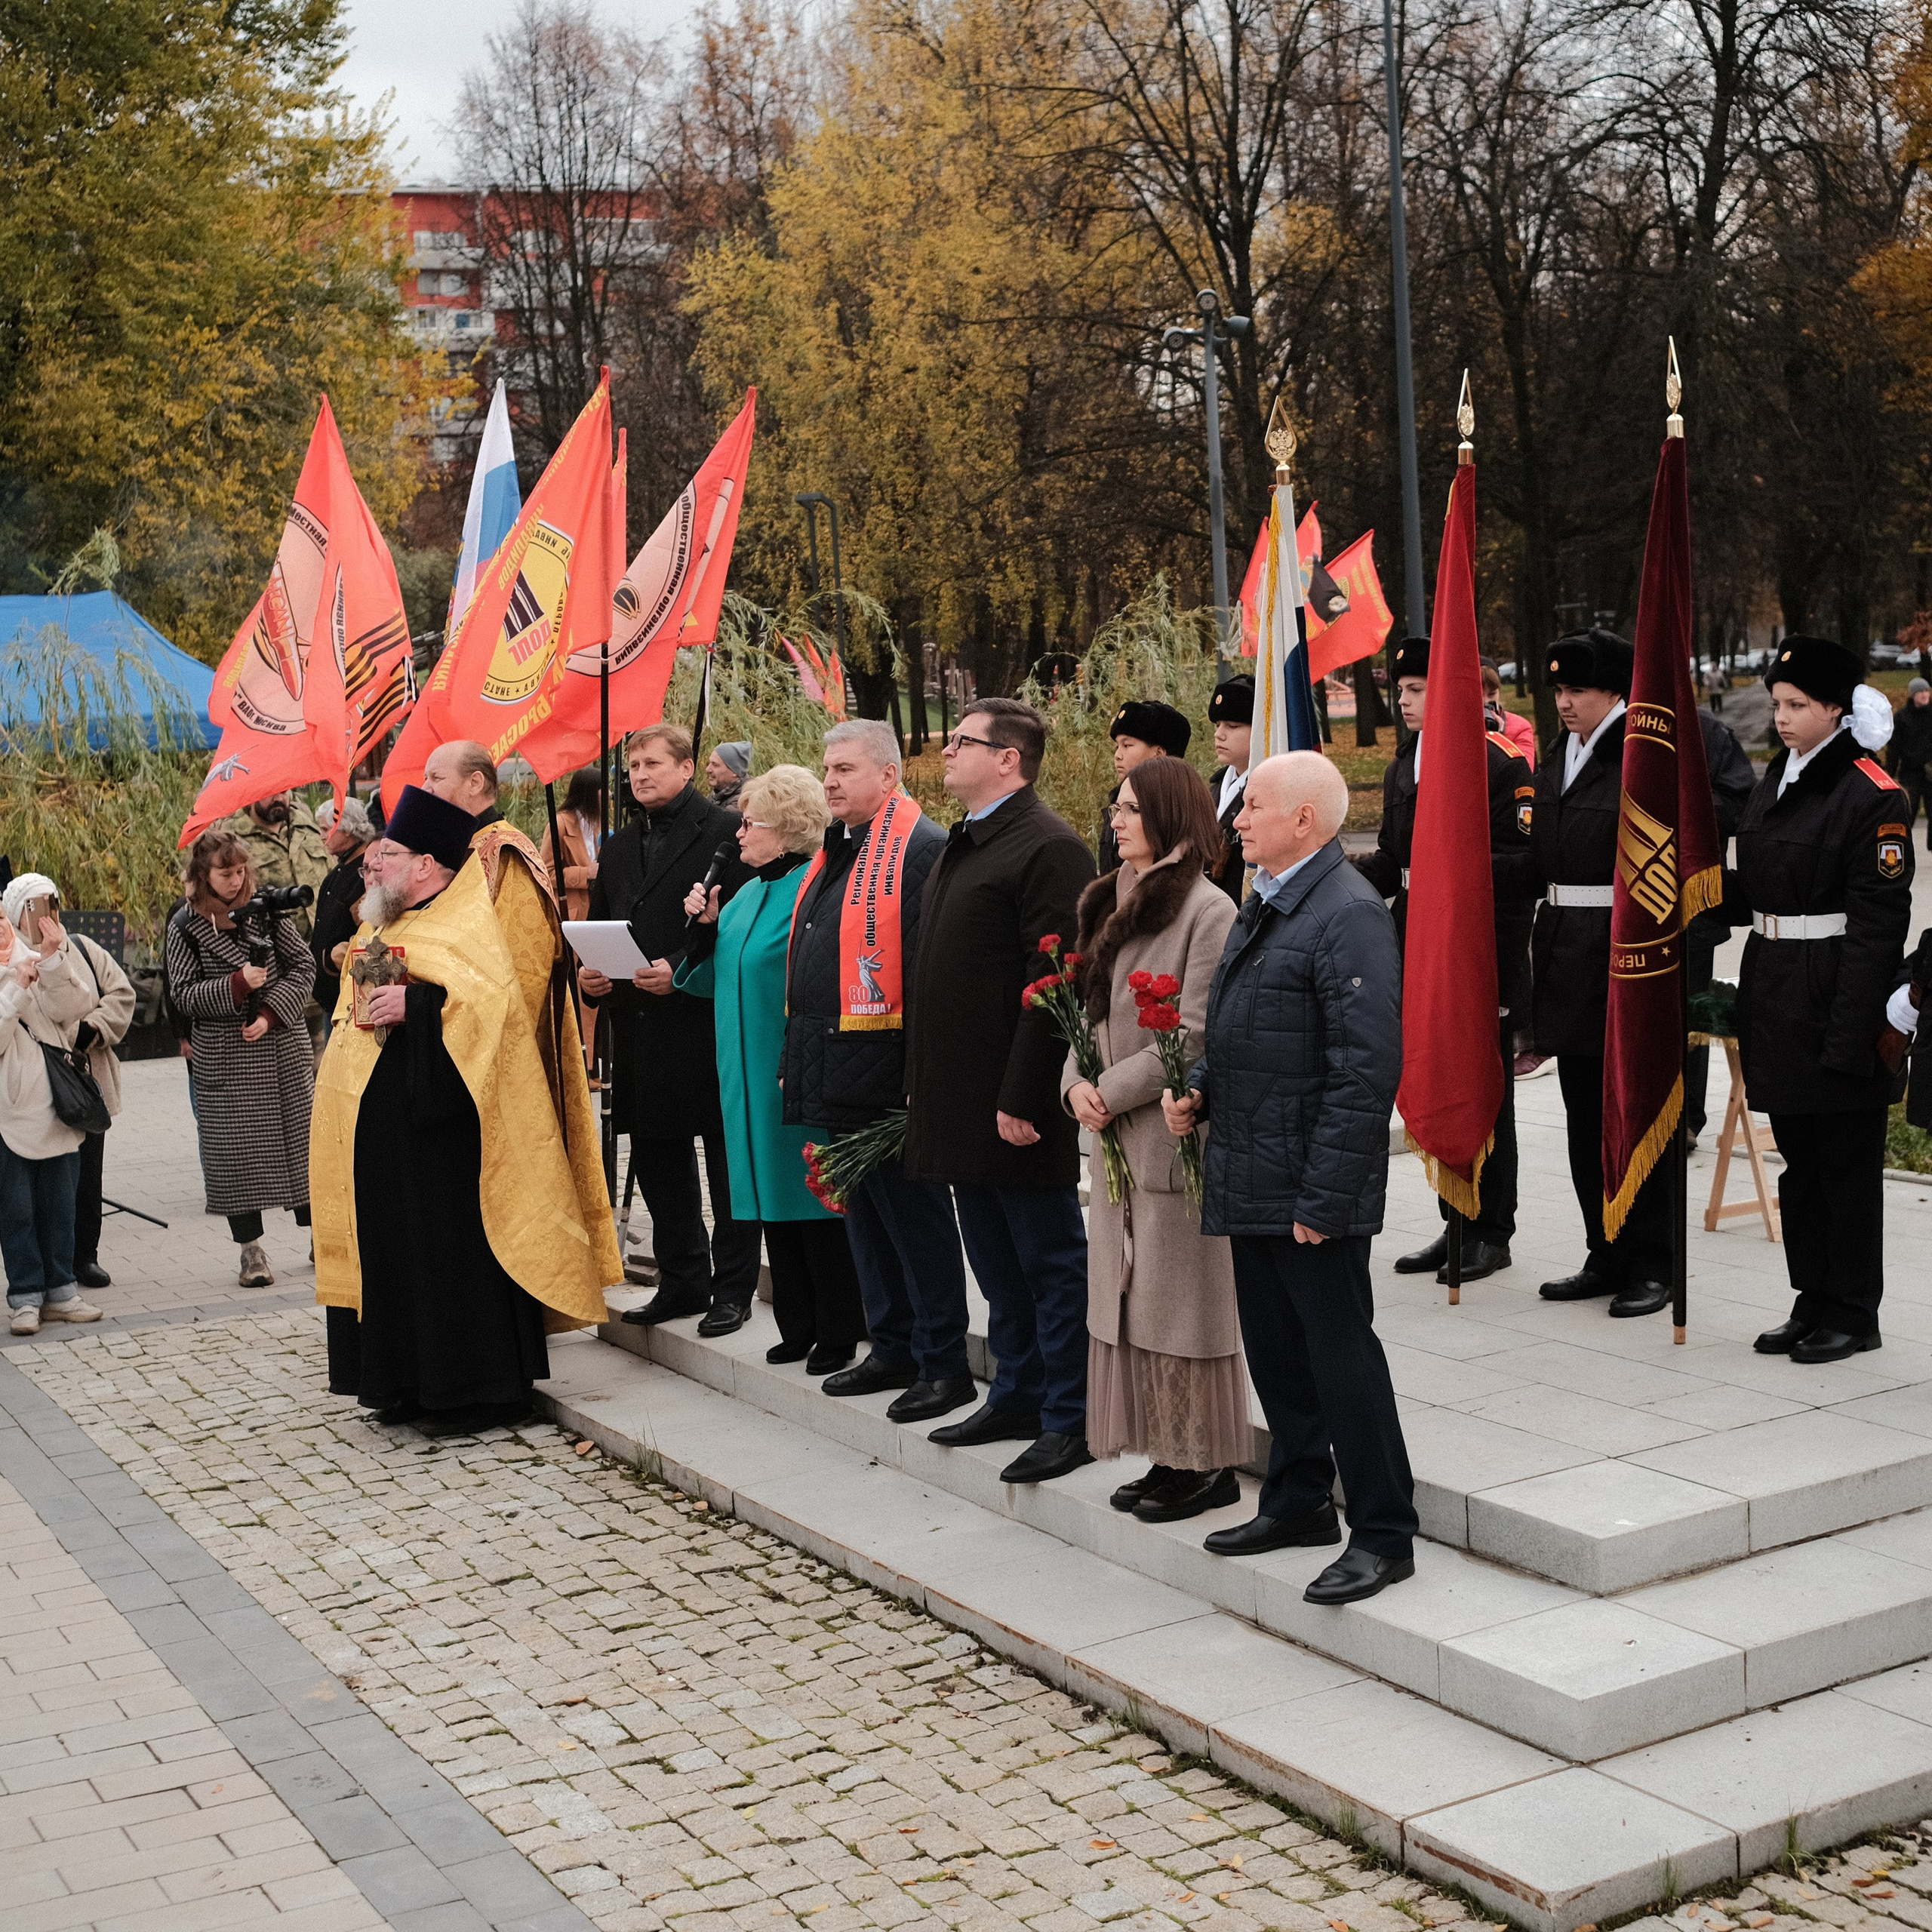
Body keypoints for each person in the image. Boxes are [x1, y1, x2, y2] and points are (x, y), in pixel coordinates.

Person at [1161, 752, 1413, 1604]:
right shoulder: (1267, 900)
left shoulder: (1346, 914)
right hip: (1252, 1169)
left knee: (1341, 1358)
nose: (1236, 818)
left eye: (1254, 806)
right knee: (1277, 1350)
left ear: (1304, 820)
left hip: (1309, 1187)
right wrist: (1198, 1089)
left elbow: (1365, 1067)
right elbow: (1246, 1030)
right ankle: (1300, 1499)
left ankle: (1383, 1531)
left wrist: (1326, 1198)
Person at [313, 788, 610, 1431]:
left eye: (386, 855)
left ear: (425, 865)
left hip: (447, 1133)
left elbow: (493, 1017)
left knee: (445, 1259)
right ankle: (405, 1386)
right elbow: (365, 1015)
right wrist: (382, 1008)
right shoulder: (380, 924)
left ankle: (472, 1390)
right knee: (395, 1252)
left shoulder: (467, 923)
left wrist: (417, 1009)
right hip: (382, 1128)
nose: (372, 865)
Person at [905, 698, 1097, 1483]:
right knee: (995, 1261)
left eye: (961, 741)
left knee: (1047, 1262)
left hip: (1013, 1105)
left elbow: (1055, 980)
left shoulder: (1047, 846)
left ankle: (1071, 1414)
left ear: (1008, 758)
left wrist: (1024, 1095)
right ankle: (1016, 1390)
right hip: (959, 1102)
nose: (946, 751)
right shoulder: (969, 839)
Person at [1065, 758, 1242, 1522]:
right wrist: (1074, 1082)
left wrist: (1113, 1088)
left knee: (1182, 1302)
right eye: (1116, 806)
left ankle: (1204, 1464)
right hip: (1111, 1132)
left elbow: (1197, 1026)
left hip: (1167, 1132)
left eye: (1133, 808)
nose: (1117, 817)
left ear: (1171, 814)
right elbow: (1085, 1010)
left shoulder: (1207, 910)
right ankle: (1165, 1453)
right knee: (1131, 1300)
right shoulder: (1109, 896)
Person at [782, 721, 971, 1419]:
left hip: (889, 1074)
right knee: (867, 1220)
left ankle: (943, 1362)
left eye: (845, 770)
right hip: (838, 1065)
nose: (829, 781)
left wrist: (917, 1076)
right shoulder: (839, 849)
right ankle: (891, 1344)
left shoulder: (918, 853)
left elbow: (927, 972)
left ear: (889, 777)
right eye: (826, 769)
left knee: (915, 1221)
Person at [1737, 638, 1912, 1364]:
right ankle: (1811, 1299)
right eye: (1777, 703)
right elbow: (1752, 882)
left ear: (1837, 708)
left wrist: (1850, 1039)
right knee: (1800, 1168)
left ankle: (1853, 1310)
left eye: (1797, 705)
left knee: (1845, 1170)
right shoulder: (1776, 779)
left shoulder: (1873, 795)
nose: (1781, 717)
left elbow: (1877, 933)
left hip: (1837, 993)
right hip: (1777, 988)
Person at [1355, 636, 1534, 1284]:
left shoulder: (1500, 764)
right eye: (1400, 690)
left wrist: (1450, 876)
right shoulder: (1407, 763)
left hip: (1478, 949)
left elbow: (1525, 869)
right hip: (1417, 945)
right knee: (1435, 1078)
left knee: (1485, 1088)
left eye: (1416, 689)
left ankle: (1492, 1229)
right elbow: (1389, 860)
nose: (1403, 700)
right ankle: (1455, 1218)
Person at [678, 766, 866, 1371]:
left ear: (786, 829)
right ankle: (797, 1323)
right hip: (742, 1077)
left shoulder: (812, 890)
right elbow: (713, 983)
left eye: (750, 823)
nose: (738, 834)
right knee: (766, 1204)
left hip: (793, 1075)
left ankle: (837, 1328)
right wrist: (703, 933)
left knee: (810, 1203)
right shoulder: (744, 895)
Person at [583, 724, 759, 1328]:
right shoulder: (618, 843)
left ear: (687, 768)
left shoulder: (726, 833)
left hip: (706, 1020)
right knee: (658, 1158)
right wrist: (592, 976)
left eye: (652, 763)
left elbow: (743, 928)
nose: (639, 774)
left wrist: (683, 969)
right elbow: (602, 921)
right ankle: (684, 1278)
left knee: (724, 1160)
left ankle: (734, 1288)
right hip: (637, 1024)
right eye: (632, 765)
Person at [423, 742, 616, 1280]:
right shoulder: (454, 850)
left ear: (477, 785)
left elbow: (524, 965)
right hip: (453, 1040)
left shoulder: (501, 852)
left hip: (497, 1049)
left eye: (436, 776)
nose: (426, 787)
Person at [1524, 629, 1674, 1318]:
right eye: (1557, 690)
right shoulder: (1562, 753)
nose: (1565, 702)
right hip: (1564, 951)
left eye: (1578, 690)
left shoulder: (1640, 756)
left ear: (1616, 690)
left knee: (1632, 1111)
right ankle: (1605, 1248)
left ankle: (1653, 1260)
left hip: (1621, 955)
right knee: (1584, 1116)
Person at [165, 830, 315, 1288]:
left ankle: (323, 1240)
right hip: (226, 1062)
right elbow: (183, 995)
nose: (235, 880)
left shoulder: (266, 914)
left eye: (240, 871)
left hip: (280, 1052)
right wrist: (236, 985)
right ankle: (251, 1253)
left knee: (304, 1150)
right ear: (203, 875)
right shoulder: (185, 925)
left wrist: (270, 1013)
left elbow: (304, 967)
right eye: (225, 873)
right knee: (236, 1159)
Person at [3, 878, 137, 1293]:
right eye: (35, 906)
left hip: (81, 1082)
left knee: (82, 1180)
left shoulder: (76, 947)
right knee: (25, 1200)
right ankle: (33, 1282)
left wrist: (90, 1029)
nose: (46, 913)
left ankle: (81, 1261)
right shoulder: (13, 965)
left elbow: (110, 996)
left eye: (51, 903)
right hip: (21, 1098)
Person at [0, 888, 104, 1334]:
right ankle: (25, 1296)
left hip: (60, 1105)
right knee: (17, 1209)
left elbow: (77, 1009)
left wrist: (53, 960)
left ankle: (62, 1291)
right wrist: (17, 989)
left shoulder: (36, 957)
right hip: (10, 1114)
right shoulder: (15, 975)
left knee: (61, 1205)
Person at [1684, 707, 1756, 1143]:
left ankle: (1688, 1118)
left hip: (1692, 904)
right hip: (1622, 908)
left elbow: (1740, 803)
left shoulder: (1707, 732)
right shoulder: (1614, 732)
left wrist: (1679, 799)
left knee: (1688, 1014)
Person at [1097, 700, 1191, 873]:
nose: (1117, 755)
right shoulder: (1116, 802)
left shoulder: (1179, 807)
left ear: (1159, 754)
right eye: (1117, 746)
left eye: (1127, 745)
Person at [312, 796, 376, 1033]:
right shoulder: (342, 868)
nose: (321, 836)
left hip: (349, 1004)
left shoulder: (365, 874)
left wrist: (334, 957)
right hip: (332, 1003)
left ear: (346, 829)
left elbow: (373, 935)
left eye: (325, 829)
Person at [1206, 676, 1254, 902]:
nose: (1219, 734)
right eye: (1218, 726)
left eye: (1233, 726)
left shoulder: (1266, 791)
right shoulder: (1215, 788)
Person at [540, 767, 603, 922]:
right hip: (572, 914)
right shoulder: (559, 824)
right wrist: (586, 873)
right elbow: (546, 873)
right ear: (590, 793)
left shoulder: (597, 822)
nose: (608, 794)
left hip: (598, 909)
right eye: (604, 789)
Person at [1890, 678, 1932, 845]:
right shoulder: (1902, 717)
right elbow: (1894, 748)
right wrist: (1889, 775)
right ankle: (1901, 847)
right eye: (1921, 692)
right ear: (1913, 695)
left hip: (1930, 773)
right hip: (1910, 774)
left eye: (1927, 691)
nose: (1925, 694)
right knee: (1907, 813)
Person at [1481, 661, 1537, 767]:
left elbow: (1523, 772)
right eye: (1478, 695)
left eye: (1492, 694)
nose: (1486, 701)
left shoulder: (1519, 728)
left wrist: (1497, 740)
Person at [706, 741, 752, 807]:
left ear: (734, 772)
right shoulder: (719, 792)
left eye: (715, 765)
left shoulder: (742, 802)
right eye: (709, 763)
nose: (708, 769)